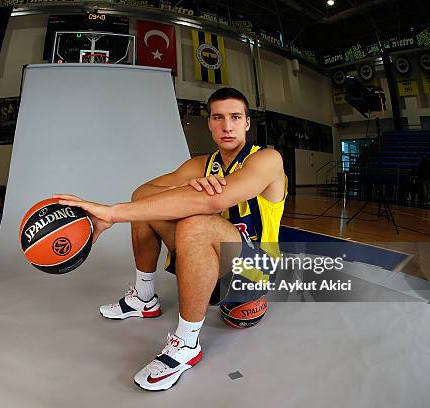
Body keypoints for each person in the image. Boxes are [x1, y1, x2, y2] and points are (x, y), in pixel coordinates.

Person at [54, 87, 287, 391]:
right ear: (210, 124)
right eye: (218, 117)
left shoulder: (267, 160)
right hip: (212, 263)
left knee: (196, 221)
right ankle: (143, 297)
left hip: (251, 276)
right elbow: (142, 195)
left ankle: (187, 344)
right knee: (147, 208)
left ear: (246, 123)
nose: (227, 126)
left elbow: (213, 203)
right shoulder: (199, 165)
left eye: (235, 117)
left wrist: (112, 214)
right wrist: (189, 187)